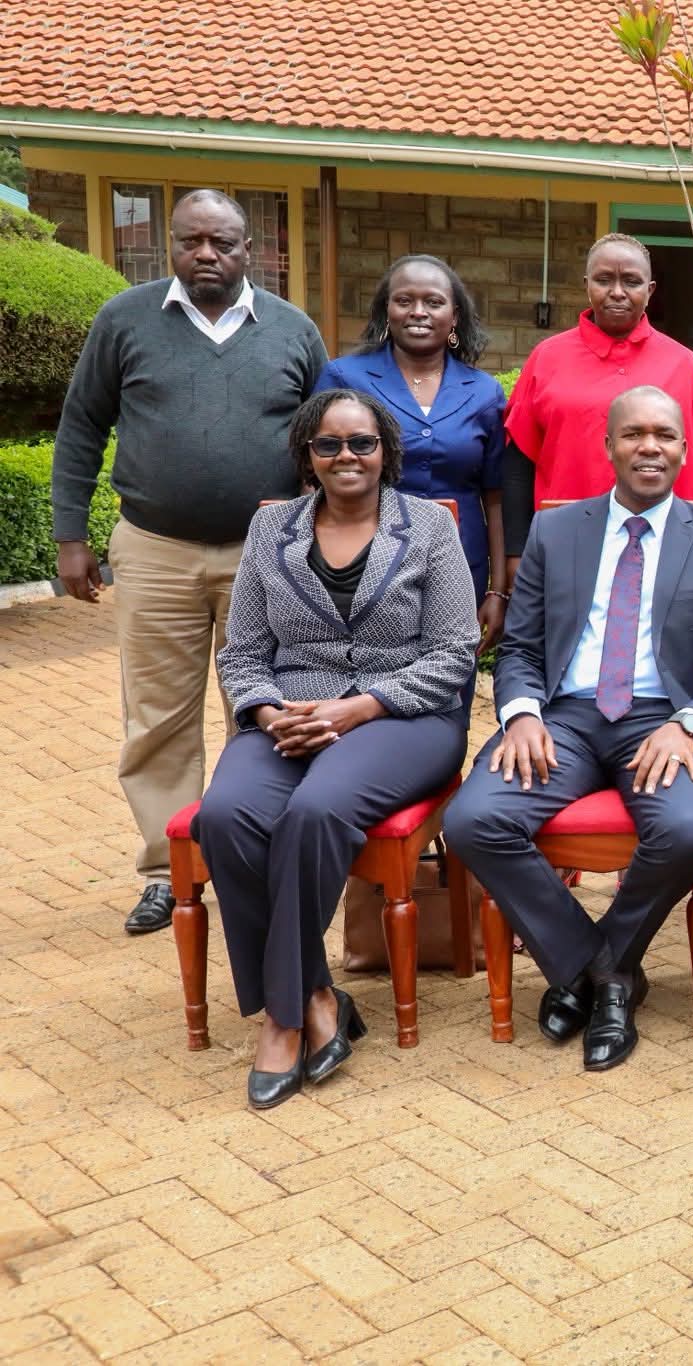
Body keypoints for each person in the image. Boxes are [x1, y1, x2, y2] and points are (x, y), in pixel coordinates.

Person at [442, 387, 693, 1073]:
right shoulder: (557, 533)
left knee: (682, 830)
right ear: (609, 445)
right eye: (634, 434)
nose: (650, 447)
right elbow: (522, 648)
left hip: (664, 719)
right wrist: (522, 712)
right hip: (564, 716)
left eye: (665, 436)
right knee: (474, 819)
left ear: (684, 448)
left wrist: (690, 724)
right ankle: (604, 973)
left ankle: (589, 973)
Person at [49, 188, 327, 937]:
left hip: (265, 557)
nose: (207, 254)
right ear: (169, 246)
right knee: (158, 717)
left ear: (253, 251)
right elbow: (81, 426)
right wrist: (70, 536)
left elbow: (324, 442)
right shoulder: (125, 320)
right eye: (191, 241)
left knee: (262, 709)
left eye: (223, 243)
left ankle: (250, 855)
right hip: (155, 550)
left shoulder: (293, 331)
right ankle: (166, 869)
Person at [193, 390, 478, 1108]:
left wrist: (359, 707)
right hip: (289, 713)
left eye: (362, 443)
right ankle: (319, 993)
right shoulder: (271, 533)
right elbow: (243, 652)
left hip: (403, 717)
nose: (347, 457)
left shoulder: (430, 530)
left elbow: (455, 653)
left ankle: (283, 1022)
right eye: (329, 445)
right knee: (224, 814)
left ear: (386, 450)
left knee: (316, 810)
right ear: (306, 455)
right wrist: (263, 711)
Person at [500, 233, 693, 586]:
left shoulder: (683, 365)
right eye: (605, 280)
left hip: (662, 550)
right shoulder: (547, 358)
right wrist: (516, 553)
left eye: (631, 281)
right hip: (565, 546)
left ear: (650, 290)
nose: (618, 292)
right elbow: (518, 464)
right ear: (587, 284)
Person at [315, 254, 509, 647]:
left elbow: (495, 497)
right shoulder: (344, 377)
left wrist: (498, 589)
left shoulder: (485, 392)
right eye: (404, 300)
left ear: (454, 316)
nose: (418, 312)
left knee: (448, 684)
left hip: (458, 566)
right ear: (386, 309)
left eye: (433, 302)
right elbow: (312, 478)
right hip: (359, 564)